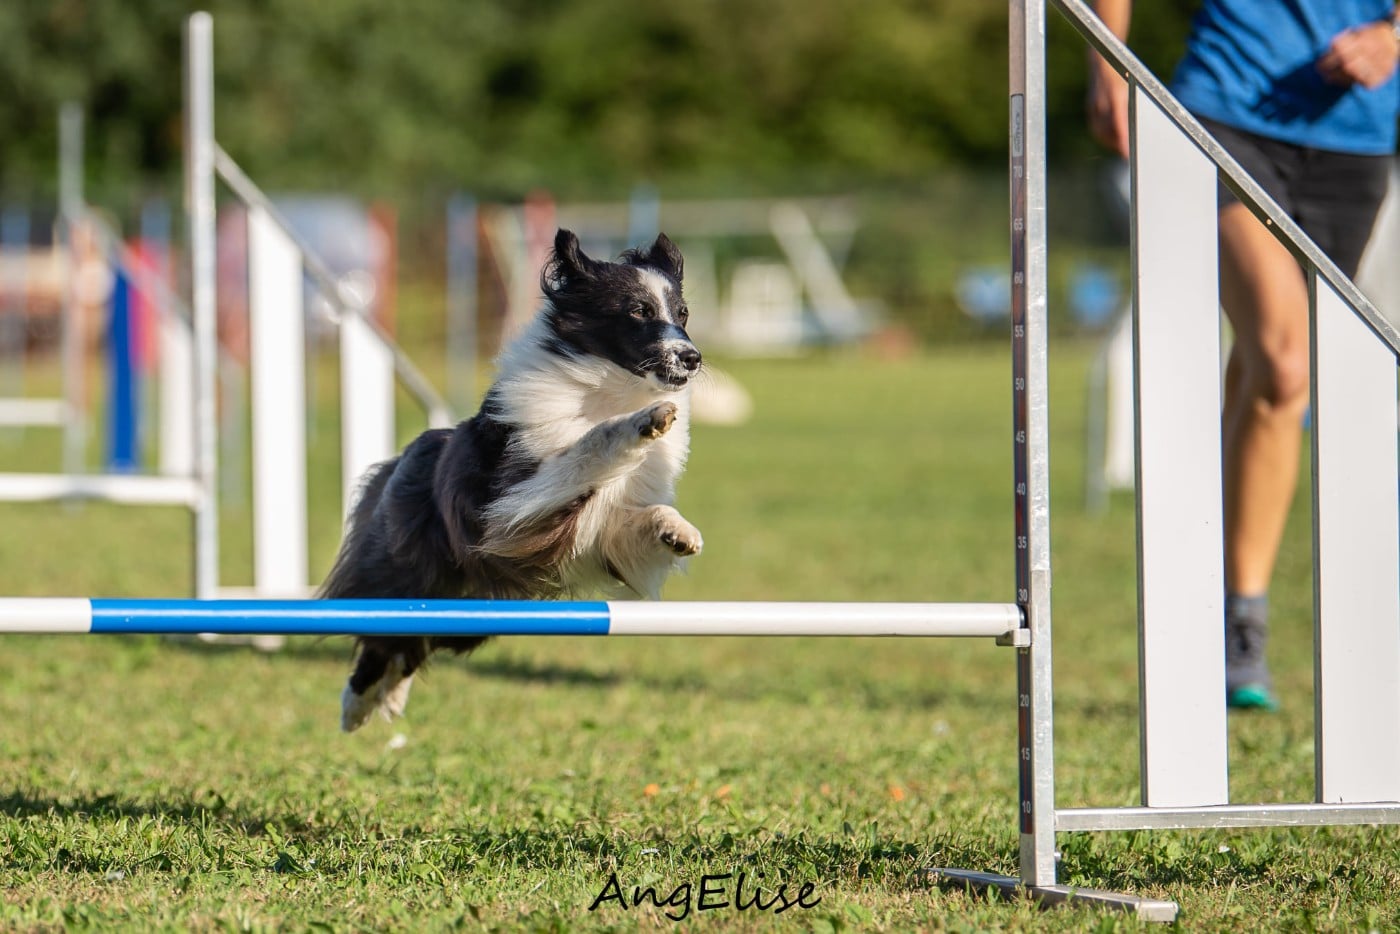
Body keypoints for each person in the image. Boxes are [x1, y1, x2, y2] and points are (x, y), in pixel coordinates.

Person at [1088, 1, 1400, 709]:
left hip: (1356, 137)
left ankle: (1218, 589)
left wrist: (1392, 35)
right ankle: (1242, 622)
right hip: (1224, 115)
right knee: (1288, 362)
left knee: (1267, 377)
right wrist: (1105, 56)